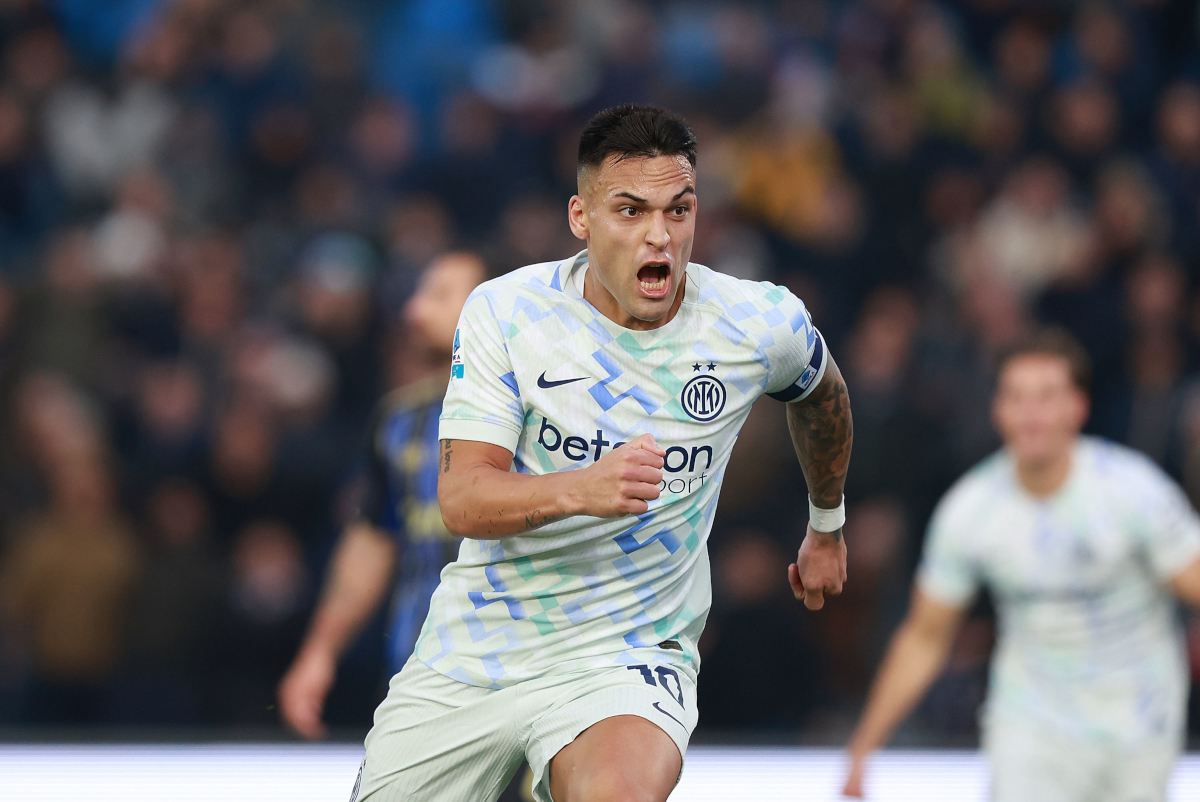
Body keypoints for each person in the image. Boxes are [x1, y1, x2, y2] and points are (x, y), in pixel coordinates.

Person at [351, 104, 854, 802]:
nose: (660, 236)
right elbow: (463, 498)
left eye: (679, 210)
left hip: (630, 654)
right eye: (630, 210)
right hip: (481, 646)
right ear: (580, 219)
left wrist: (826, 522)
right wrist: (580, 489)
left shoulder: (756, 323)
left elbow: (823, 397)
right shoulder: (508, 313)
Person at [843, 329, 1200, 802]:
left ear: (1079, 407)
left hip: (1139, 722)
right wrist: (864, 746)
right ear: (998, 410)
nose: (1032, 414)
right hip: (1030, 728)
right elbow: (925, 636)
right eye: (1017, 397)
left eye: (1048, 396)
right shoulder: (971, 510)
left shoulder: (1134, 493)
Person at [276, 252, 487, 739]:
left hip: (530, 678)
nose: (414, 311)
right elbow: (371, 541)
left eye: (436, 295)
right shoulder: (398, 422)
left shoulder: (551, 414)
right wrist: (319, 653)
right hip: (420, 674)